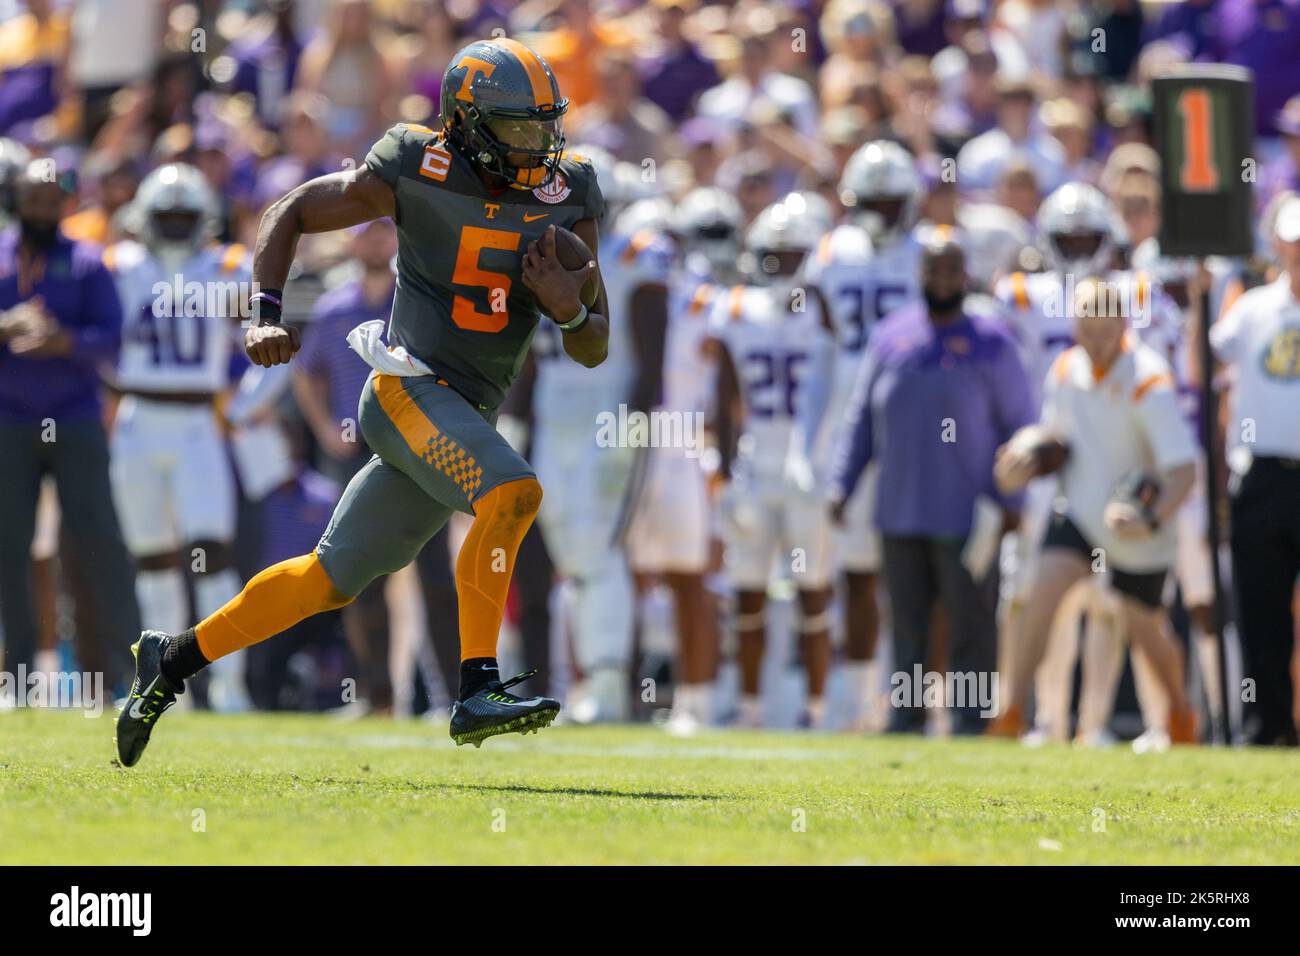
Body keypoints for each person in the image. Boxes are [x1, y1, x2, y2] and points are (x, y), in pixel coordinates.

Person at [115, 37, 610, 765]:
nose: (536, 145)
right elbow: (292, 209)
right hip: (408, 386)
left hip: (464, 413)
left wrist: (568, 309)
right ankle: (478, 687)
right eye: (516, 128)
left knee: (328, 579)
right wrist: (267, 310)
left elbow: (595, 342)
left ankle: (172, 659)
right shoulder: (418, 163)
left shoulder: (571, 190)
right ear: (466, 124)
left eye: (544, 125)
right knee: (512, 492)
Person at [830, 231, 1034, 734]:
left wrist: (1013, 497)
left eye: (951, 270)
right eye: (932, 270)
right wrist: (842, 482)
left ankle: (971, 719)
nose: (942, 280)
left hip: (970, 513)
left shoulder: (992, 343)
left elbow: (1021, 426)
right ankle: (906, 714)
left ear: (966, 276)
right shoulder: (891, 336)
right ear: (919, 276)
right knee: (906, 620)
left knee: (970, 621)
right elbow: (861, 417)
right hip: (899, 508)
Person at [991, 275, 1200, 743]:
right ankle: (1010, 713)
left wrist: (1151, 517)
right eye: (1086, 330)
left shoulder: (1149, 380)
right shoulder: (1066, 368)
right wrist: (1022, 454)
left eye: (1105, 331)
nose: (1096, 342)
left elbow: (1185, 470)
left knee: (1144, 629)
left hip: (1133, 525)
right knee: (1040, 593)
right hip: (1082, 510)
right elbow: (1054, 434)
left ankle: (1181, 713)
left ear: (1125, 325)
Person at [104, 163, 254, 712]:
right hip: (137, 419)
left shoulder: (228, 268)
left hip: (196, 423)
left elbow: (273, 340)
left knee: (210, 556)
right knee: (153, 563)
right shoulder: (118, 266)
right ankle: (162, 687)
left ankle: (230, 686)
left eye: (181, 218)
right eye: (164, 218)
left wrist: (247, 405)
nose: (171, 227)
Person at [0, 162, 140, 692]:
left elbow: (111, 340)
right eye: (31, 200)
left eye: (49, 200)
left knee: (98, 539)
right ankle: (17, 676)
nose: (40, 210)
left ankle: (125, 670)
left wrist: (64, 342)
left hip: (74, 419)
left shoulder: (86, 262)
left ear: (65, 205)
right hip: (9, 420)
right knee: (9, 546)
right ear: (16, 201)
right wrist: (6, 324)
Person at [708, 193, 836, 729]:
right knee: (749, 591)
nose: (782, 267)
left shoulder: (824, 312)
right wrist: (722, 470)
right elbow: (724, 398)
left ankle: (818, 707)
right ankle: (752, 705)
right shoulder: (736, 308)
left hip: (809, 467)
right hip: (757, 465)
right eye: (774, 256)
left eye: (792, 256)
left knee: (814, 591)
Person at [1197, 196, 1300, 746]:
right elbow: (1206, 360)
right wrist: (1196, 298)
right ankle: (1268, 727)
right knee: (1261, 611)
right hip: (1261, 475)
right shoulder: (1254, 307)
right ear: (1279, 246)